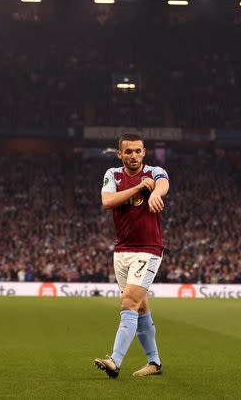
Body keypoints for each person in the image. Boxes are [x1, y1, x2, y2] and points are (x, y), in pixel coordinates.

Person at [93, 133, 169, 379]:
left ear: (144, 152)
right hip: (122, 251)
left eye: (138, 151)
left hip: (148, 250)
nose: (134, 156)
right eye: (129, 152)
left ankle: (115, 360)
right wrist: (138, 187)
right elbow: (107, 201)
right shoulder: (113, 175)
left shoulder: (155, 171)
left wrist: (156, 193)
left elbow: (163, 183)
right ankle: (154, 363)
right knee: (141, 307)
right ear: (120, 155)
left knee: (128, 303)